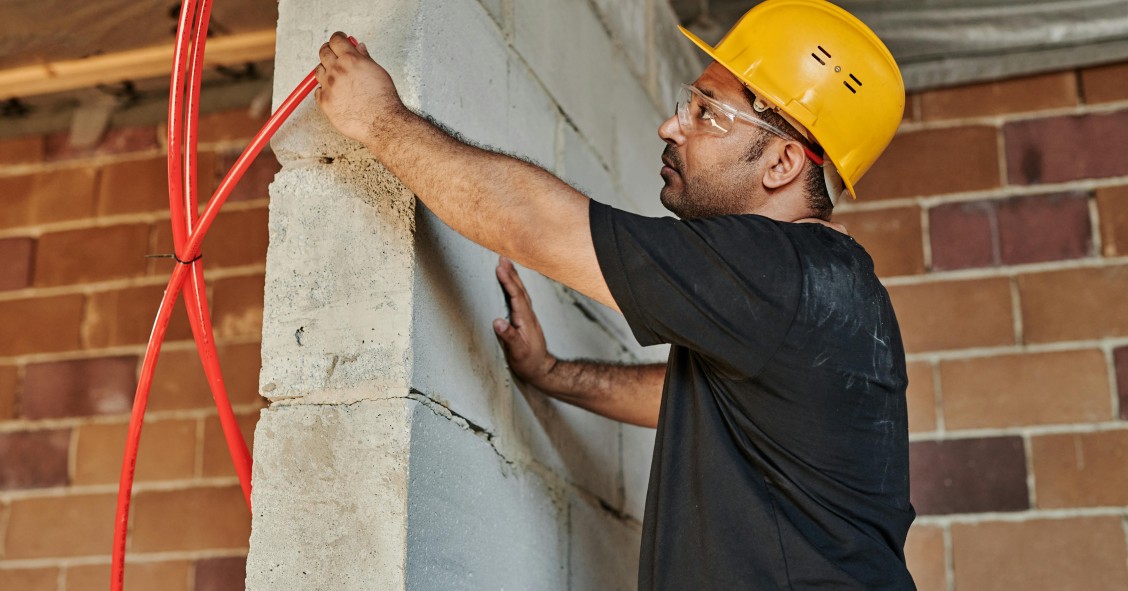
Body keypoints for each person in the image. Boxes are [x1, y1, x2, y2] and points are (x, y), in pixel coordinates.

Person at [314, 0, 915, 588]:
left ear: (783, 162)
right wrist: (553, 373)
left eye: (708, 113)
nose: (671, 126)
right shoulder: (830, 291)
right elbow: (702, 403)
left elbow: (540, 226)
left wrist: (379, 120)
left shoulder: (777, 269)